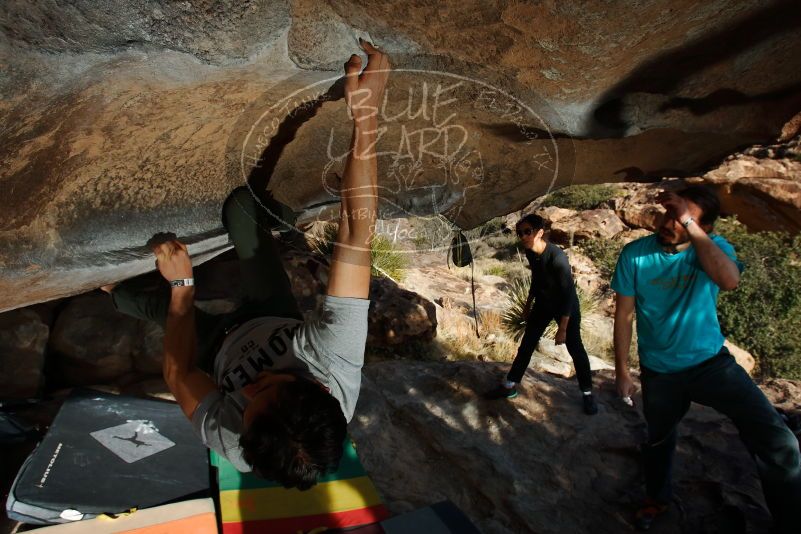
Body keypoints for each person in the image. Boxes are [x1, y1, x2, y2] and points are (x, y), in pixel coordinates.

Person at [102, 39, 390, 490]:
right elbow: (356, 235)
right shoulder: (336, 356)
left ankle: (125, 297)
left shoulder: (240, 441)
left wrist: (181, 287)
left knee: (123, 296)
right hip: (270, 313)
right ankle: (282, 222)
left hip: (213, 352)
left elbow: (179, 375)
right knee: (241, 209)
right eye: (267, 388)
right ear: (318, 386)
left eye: (248, 401)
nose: (249, 388)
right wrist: (366, 114)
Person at [612, 185, 801, 532]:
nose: (670, 224)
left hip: (711, 364)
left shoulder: (713, 249)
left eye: (682, 219)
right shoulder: (635, 254)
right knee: (658, 440)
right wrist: (622, 370)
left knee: (778, 441)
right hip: (659, 371)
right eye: (669, 214)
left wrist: (691, 224)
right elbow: (623, 315)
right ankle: (657, 498)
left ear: (705, 228)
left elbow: (729, 280)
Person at [485, 214, 597, 415]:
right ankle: (509, 385)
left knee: (575, 348)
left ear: (540, 233)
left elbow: (569, 295)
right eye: (520, 233)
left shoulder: (557, 258)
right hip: (543, 304)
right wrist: (528, 305)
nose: (523, 237)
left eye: (527, 232)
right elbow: (536, 280)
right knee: (527, 344)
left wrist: (562, 329)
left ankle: (587, 393)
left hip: (566, 307)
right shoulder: (530, 252)